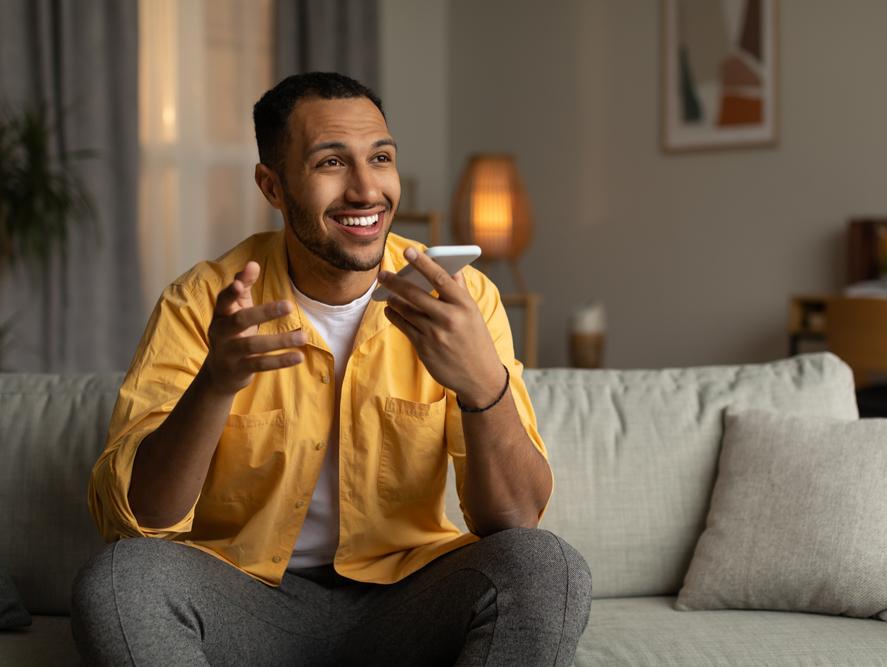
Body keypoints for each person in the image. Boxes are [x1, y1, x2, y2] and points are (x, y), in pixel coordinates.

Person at [71, 72, 591, 665]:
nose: (367, 189)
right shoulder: (201, 302)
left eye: (381, 157)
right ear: (272, 184)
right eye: (330, 163)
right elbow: (138, 521)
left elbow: (516, 519)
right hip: (245, 601)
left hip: (408, 601)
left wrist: (481, 387)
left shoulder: (464, 301)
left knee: (546, 565)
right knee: (121, 579)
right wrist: (214, 386)